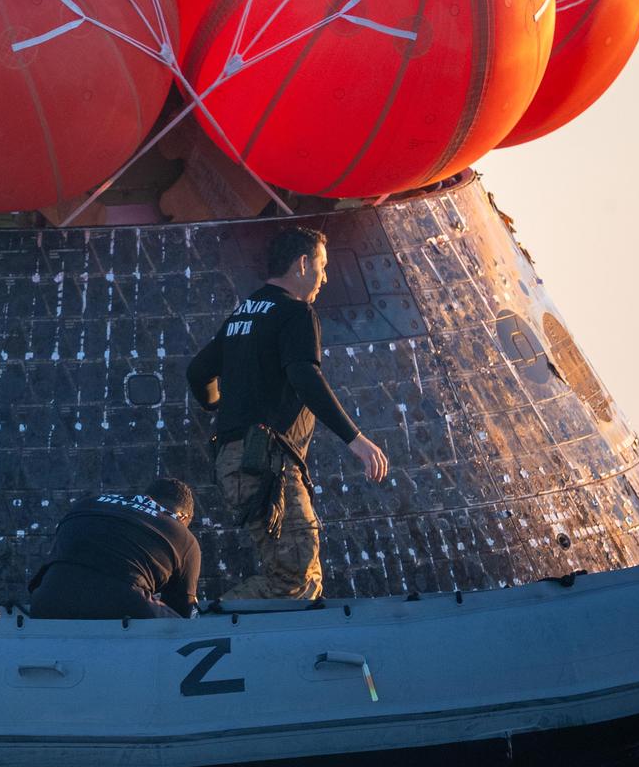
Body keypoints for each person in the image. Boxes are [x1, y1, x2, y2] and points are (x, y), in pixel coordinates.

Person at [186, 226, 388, 601]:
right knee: (295, 579)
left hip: (237, 460)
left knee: (302, 575)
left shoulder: (242, 314)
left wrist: (220, 406)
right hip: (268, 462)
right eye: (322, 266)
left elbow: (198, 373)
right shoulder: (296, 313)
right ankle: (210, 621)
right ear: (302, 263)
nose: (325, 277)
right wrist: (355, 439)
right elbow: (303, 374)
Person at [28, 479, 202, 620]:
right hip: (123, 607)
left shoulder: (87, 504)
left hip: (46, 603)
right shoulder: (184, 537)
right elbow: (182, 609)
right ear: (183, 517)